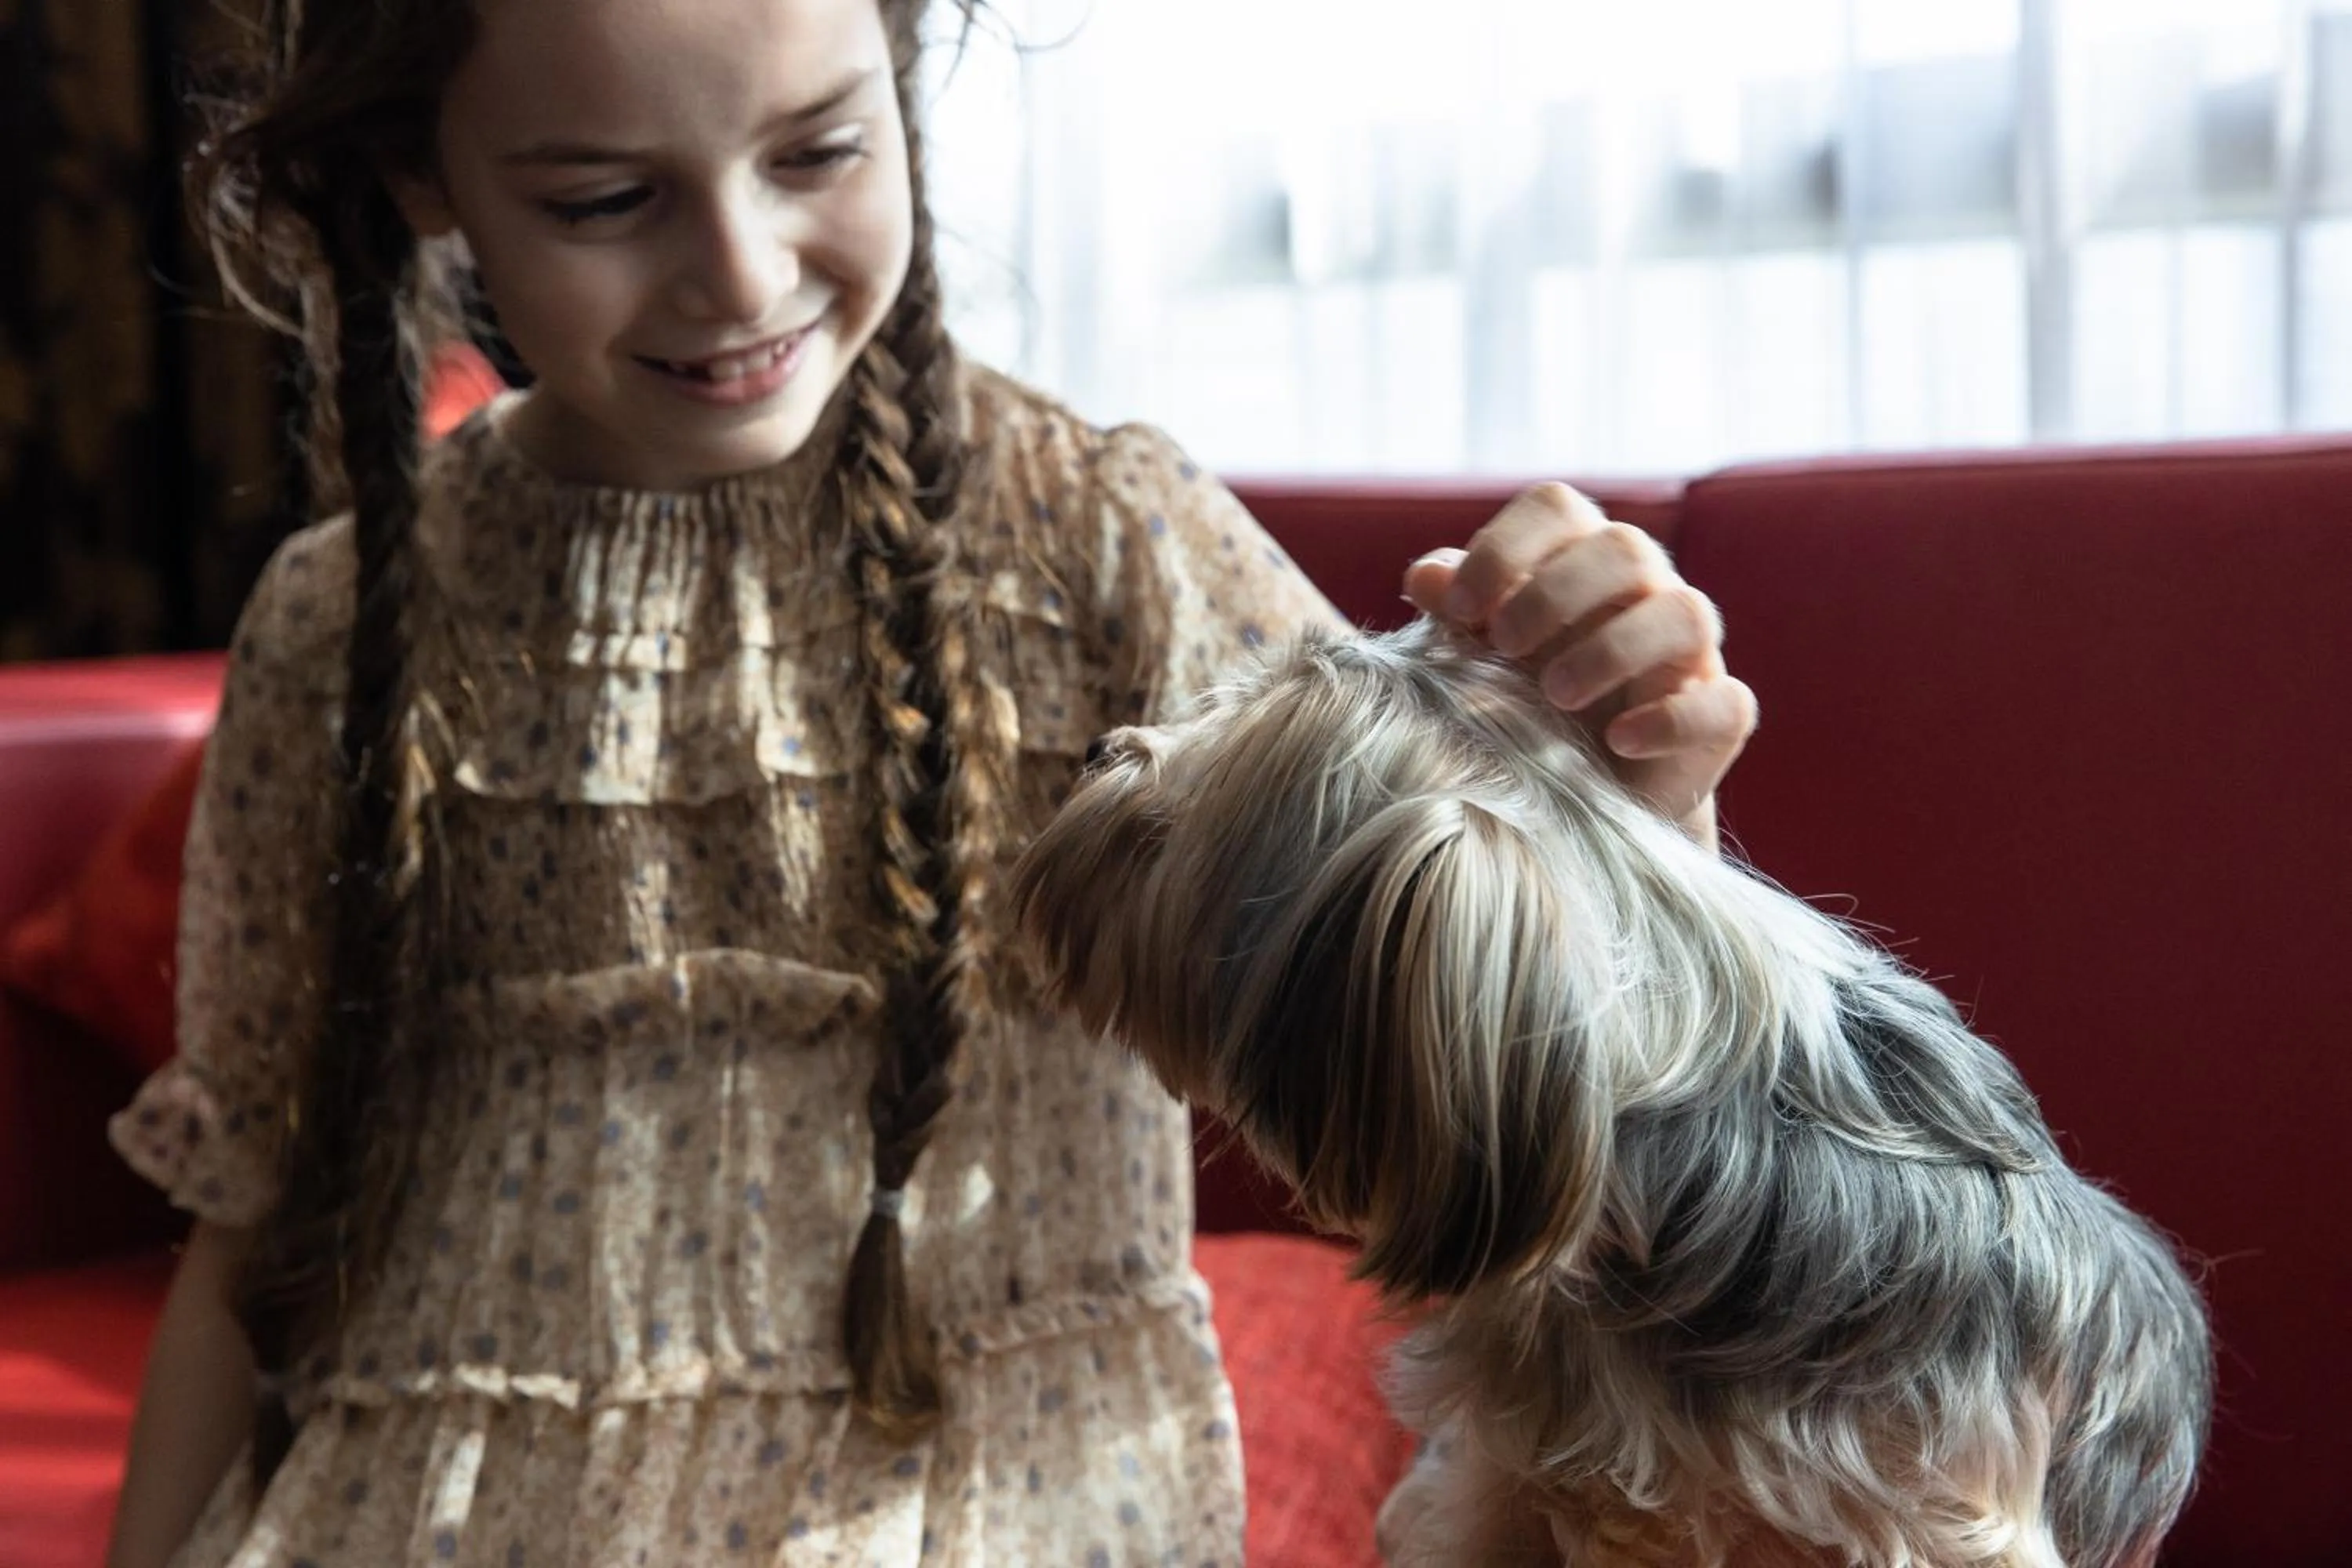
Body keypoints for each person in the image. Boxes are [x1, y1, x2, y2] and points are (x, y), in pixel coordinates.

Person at [101, 0, 1755, 1561]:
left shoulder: (1101, 546)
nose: (740, 274)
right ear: (422, 173)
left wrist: (1642, 801)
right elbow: (249, 1234)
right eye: (605, 199)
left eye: (818, 151)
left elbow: (1509, 1003)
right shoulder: (331, 629)